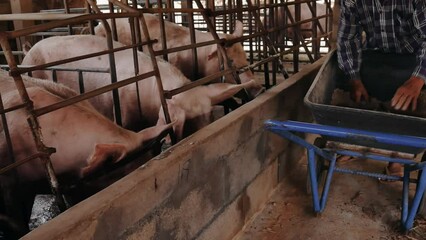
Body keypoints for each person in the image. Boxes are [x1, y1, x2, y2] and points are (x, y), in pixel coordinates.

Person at [336, 0, 426, 177]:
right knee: (356, 95)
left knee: (410, 108)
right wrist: (354, 78)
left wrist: (418, 78)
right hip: (375, 57)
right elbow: (348, 38)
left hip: (413, 61)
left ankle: (398, 156)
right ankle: (356, 143)